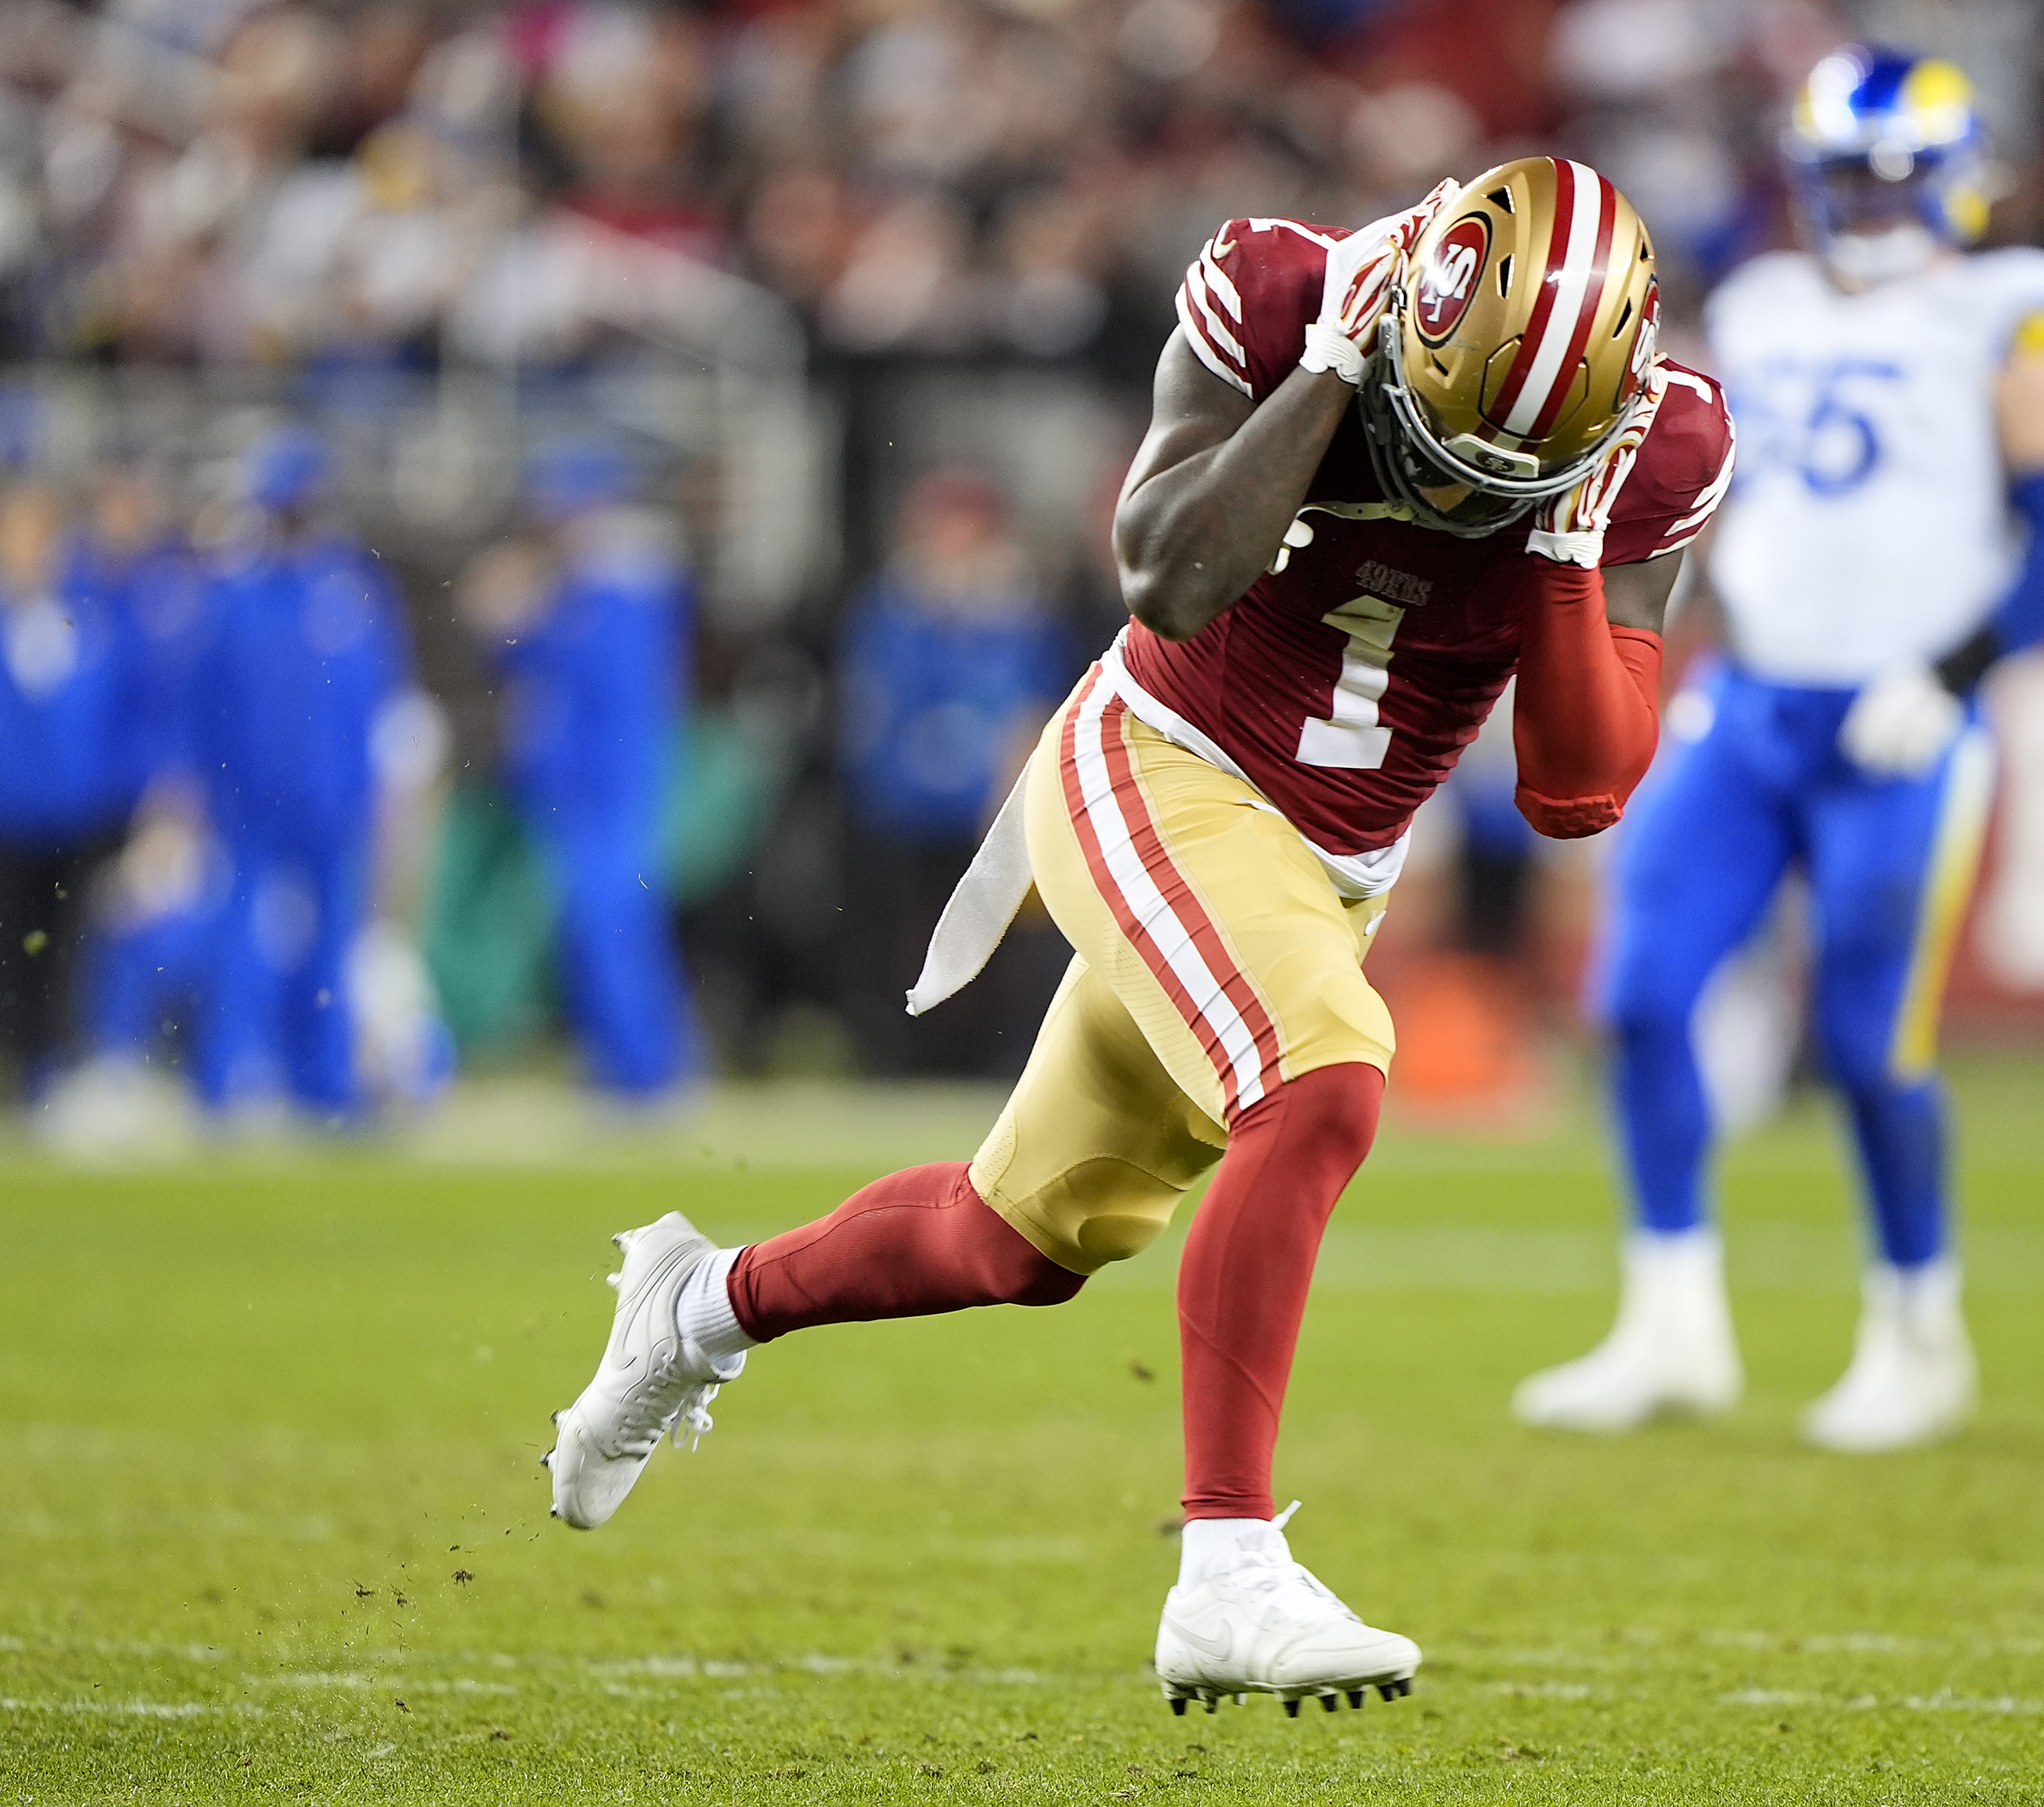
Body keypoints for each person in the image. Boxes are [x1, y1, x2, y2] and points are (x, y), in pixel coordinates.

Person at [541, 157, 1734, 1711]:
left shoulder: (1664, 436)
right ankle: (1226, 1564)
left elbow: (1578, 790)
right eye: (1447, 444)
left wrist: (1566, 553)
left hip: (1332, 863)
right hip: (1161, 759)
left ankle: (698, 1305)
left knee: (1016, 1240)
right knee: (1322, 1080)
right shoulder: (1286, 294)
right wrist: (1320, 380)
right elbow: (1164, 573)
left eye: (1512, 471)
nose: (1462, 493)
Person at [1515, 50, 2044, 1452]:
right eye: (1844, 174)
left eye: (1891, 175)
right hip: (1757, 702)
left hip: (1901, 716)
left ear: (1959, 177)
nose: (1866, 201)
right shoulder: (1767, 304)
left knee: (1865, 1039)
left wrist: (1958, 667)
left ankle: (1919, 1328)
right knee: (1640, 991)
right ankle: (1671, 1322)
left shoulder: (2010, 308)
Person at [189, 427, 413, 1123]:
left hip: (331, 799)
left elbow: (379, 702)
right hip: (251, 800)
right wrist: (208, 790)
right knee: (239, 943)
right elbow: (208, 704)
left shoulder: (353, 590)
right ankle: (226, 1085)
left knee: (329, 948)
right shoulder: (239, 593)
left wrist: (375, 792)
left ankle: (323, 1086)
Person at [467, 438, 694, 1104]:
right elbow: (513, 655)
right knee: (592, 931)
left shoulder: (621, 594)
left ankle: (649, 1071)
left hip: (611, 792)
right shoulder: (573, 594)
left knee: (614, 926)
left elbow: (601, 695)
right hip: (574, 795)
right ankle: (622, 1068)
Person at [836, 467, 1074, 1076]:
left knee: (1007, 940)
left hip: (986, 809)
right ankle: (908, 1055)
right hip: (908, 812)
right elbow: (878, 710)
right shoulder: (894, 609)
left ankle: (996, 1057)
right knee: (908, 934)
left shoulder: (1019, 613)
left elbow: (1032, 707)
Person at [0, 479, 142, 1104]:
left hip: (74, 818)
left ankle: (50, 1073)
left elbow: (123, 718)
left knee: (66, 953)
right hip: (9, 818)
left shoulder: (92, 619)